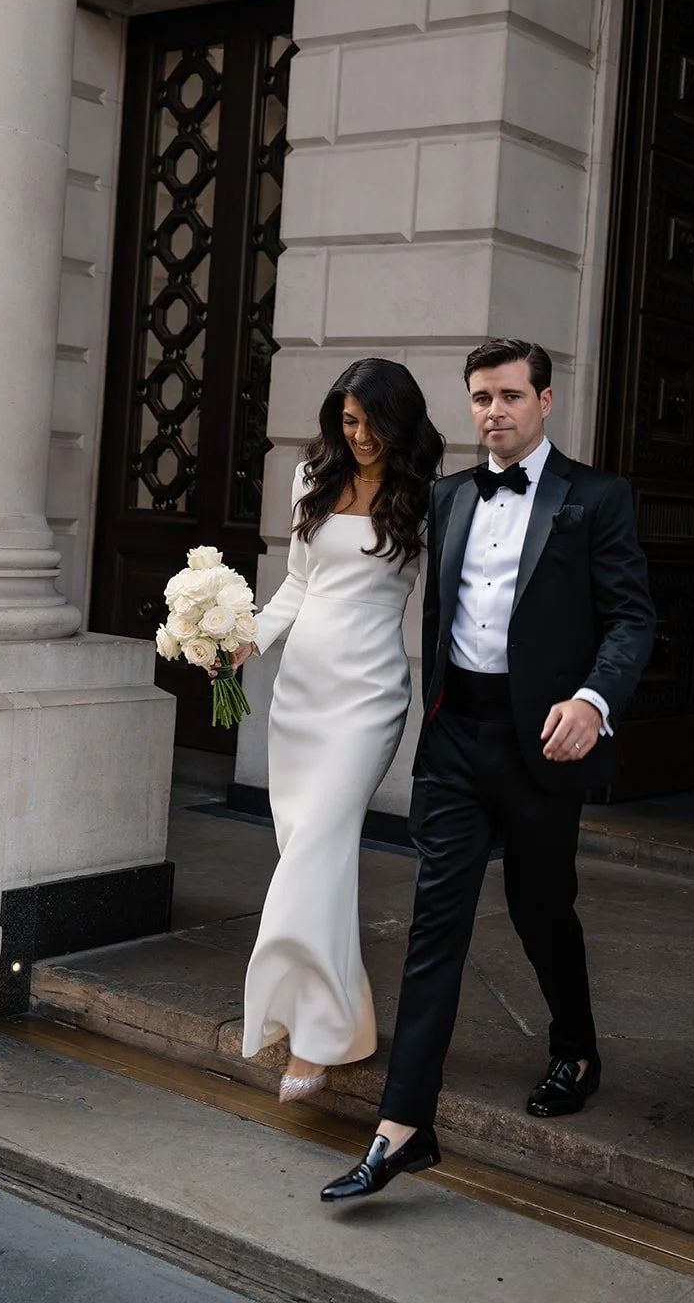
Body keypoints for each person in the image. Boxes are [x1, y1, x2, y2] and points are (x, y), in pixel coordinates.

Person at [320, 338, 655, 1201]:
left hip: (541, 741)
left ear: (545, 400)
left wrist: (591, 700)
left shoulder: (597, 497)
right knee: (436, 923)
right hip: (456, 739)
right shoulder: (446, 496)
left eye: (509, 396)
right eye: (479, 398)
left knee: (541, 909)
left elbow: (629, 619)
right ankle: (401, 1129)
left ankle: (574, 1046)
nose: (493, 412)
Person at [228, 358, 443, 1105]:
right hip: (301, 692)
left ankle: (313, 1041)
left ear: (399, 421)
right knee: (306, 860)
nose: (355, 435)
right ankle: (331, 1020)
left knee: (315, 851)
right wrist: (249, 636)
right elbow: (297, 580)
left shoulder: (427, 498)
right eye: (345, 421)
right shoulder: (310, 477)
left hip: (368, 695)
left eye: (368, 422)